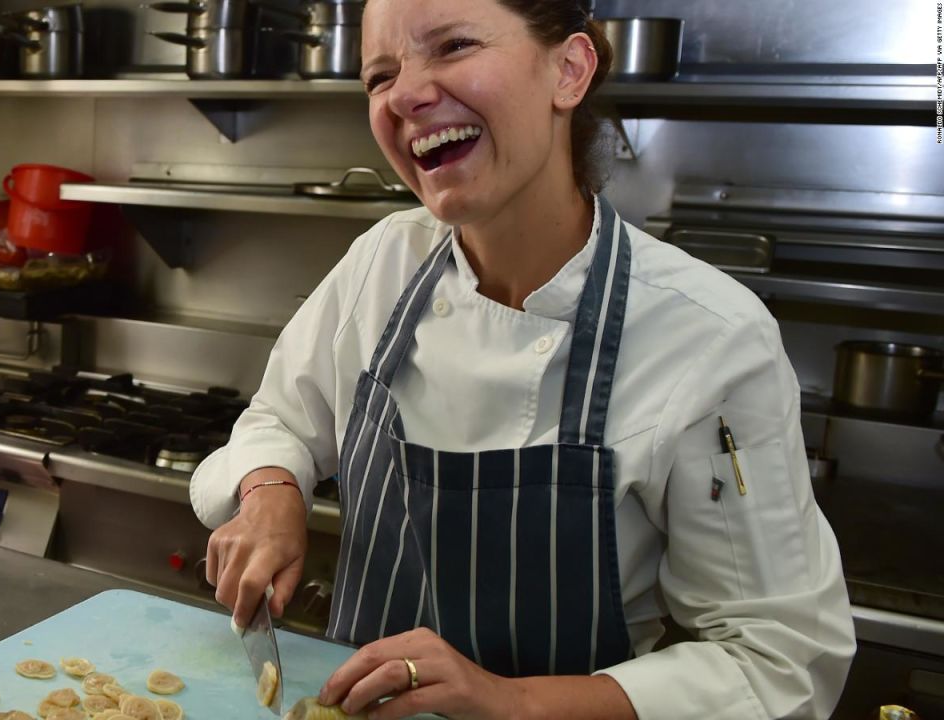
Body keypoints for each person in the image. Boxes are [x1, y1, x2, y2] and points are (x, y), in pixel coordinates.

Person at [189, 0, 857, 717]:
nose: (406, 94)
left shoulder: (708, 335)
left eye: (451, 45)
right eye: (380, 75)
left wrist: (511, 702)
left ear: (568, 70)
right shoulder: (384, 262)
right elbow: (281, 417)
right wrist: (269, 492)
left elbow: (780, 662)